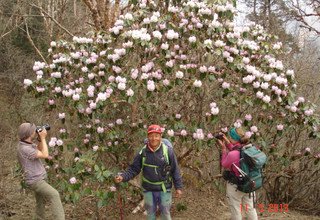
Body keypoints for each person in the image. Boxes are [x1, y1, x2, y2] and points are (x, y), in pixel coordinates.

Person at [115, 124, 183, 220]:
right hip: (148, 189)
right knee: (150, 213)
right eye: (151, 136)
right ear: (148, 137)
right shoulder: (143, 152)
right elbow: (134, 169)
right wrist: (123, 177)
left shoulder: (168, 151)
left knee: (165, 213)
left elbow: (175, 170)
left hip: (164, 188)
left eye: (156, 135)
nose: (153, 138)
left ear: (160, 137)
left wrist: (178, 187)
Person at [17, 122, 65, 220]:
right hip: (36, 181)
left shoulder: (25, 144)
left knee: (40, 202)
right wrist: (43, 138)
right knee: (54, 194)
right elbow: (45, 155)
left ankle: (39, 218)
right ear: (29, 134)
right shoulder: (25, 148)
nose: (35, 132)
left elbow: (38, 150)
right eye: (33, 131)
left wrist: (39, 139)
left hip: (37, 178)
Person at [216, 127, 258, 220]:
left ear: (233, 138)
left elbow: (224, 164)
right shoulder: (250, 148)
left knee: (236, 210)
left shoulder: (232, 154)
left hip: (236, 186)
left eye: (230, 137)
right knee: (250, 208)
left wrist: (223, 149)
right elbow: (237, 150)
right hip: (250, 184)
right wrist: (228, 143)